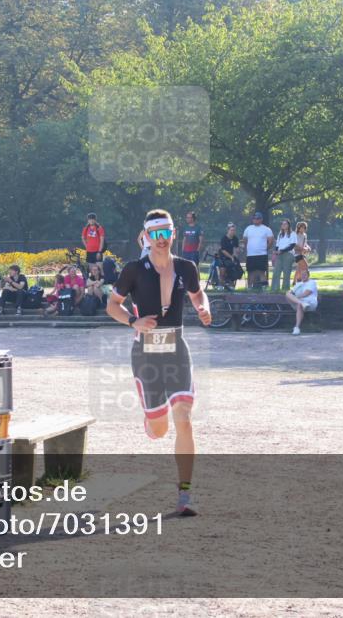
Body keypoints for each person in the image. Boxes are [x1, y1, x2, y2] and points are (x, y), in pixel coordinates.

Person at [106, 209, 212, 516]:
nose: (161, 240)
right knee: (161, 427)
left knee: (184, 417)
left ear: (174, 234)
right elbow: (112, 305)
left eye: (166, 233)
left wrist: (203, 308)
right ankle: (152, 420)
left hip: (177, 349)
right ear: (146, 237)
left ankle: (185, 494)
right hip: (146, 355)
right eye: (155, 234)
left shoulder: (186, 267)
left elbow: (197, 294)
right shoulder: (134, 270)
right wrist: (133, 322)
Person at [241, 211, 273, 289]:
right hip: (250, 255)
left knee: (261, 271)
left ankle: (264, 288)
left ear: (261, 219)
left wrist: (265, 249)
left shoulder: (266, 229)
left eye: (257, 218)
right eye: (254, 218)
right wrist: (248, 248)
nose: (255, 220)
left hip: (262, 254)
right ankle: (249, 288)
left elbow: (271, 241)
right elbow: (245, 240)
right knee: (250, 272)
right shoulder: (248, 228)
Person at [285, 266, 318, 335]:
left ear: (308, 275)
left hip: (310, 303)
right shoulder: (298, 284)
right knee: (287, 293)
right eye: (302, 275)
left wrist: (295, 297)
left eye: (305, 274)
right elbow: (291, 292)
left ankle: (296, 327)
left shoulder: (312, 282)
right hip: (300, 303)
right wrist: (290, 293)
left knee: (299, 305)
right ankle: (301, 303)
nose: (303, 276)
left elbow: (306, 293)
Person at [271, 219, 297, 292]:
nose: (283, 225)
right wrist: (275, 252)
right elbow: (277, 245)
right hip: (279, 254)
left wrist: (282, 251)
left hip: (288, 254)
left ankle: (285, 289)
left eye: (285, 224)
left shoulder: (293, 233)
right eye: (282, 224)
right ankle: (274, 289)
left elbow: (292, 245)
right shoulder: (280, 234)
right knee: (276, 271)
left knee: (286, 272)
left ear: (288, 225)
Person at [216, 222, 240, 289]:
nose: (233, 232)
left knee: (233, 271)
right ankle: (220, 286)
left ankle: (231, 286)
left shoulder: (235, 238)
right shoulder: (224, 238)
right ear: (228, 230)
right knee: (222, 272)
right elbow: (223, 250)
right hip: (223, 257)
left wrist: (235, 254)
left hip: (231, 258)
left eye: (234, 230)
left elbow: (236, 248)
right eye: (231, 230)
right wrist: (231, 257)